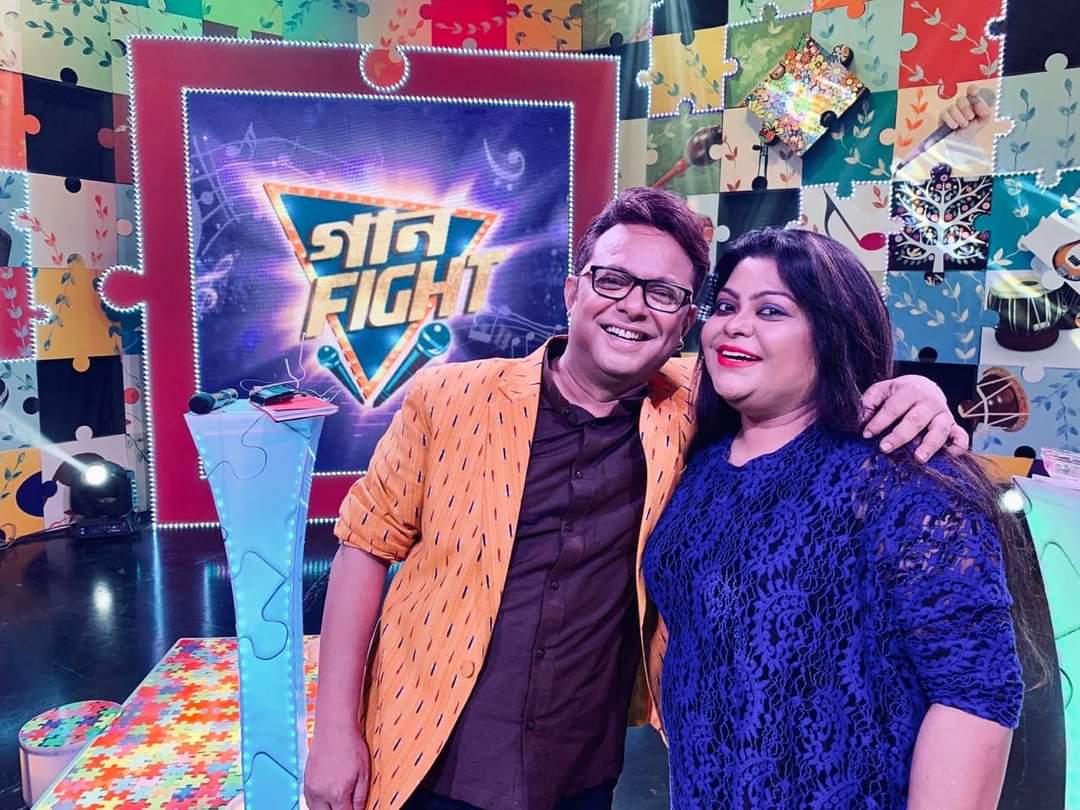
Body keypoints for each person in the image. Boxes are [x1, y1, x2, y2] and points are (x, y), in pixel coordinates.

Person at [304, 188, 966, 810]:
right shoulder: (449, 399)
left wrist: (912, 389)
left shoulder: (693, 411)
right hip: (425, 751)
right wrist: (334, 729)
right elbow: (365, 544)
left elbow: (798, 372)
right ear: (574, 291)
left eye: (663, 293)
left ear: (684, 322)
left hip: (581, 772)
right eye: (612, 280)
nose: (632, 306)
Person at [644, 228, 1040, 809]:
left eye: (771, 310)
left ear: (833, 332)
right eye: (725, 306)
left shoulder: (903, 477)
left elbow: (974, 693)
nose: (735, 326)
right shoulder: (696, 460)